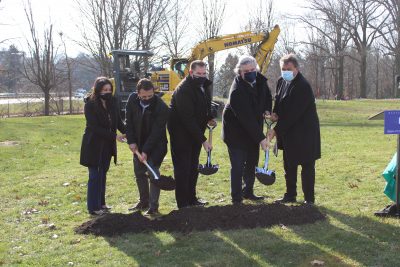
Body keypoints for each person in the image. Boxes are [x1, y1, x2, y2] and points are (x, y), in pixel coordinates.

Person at [267, 54, 321, 204]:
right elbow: (278, 100)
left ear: (296, 68)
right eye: (283, 69)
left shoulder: (303, 86)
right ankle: (290, 194)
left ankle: (309, 200)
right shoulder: (281, 81)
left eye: (288, 69)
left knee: (307, 165)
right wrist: (275, 113)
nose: (285, 72)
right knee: (289, 164)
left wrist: (276, 131)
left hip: (305, 133)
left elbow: (293, 115)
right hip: (289, 133)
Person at [222, 55, 272, 204]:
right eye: (246, 71)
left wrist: (267, 110)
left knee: (251, 162)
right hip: (235, 133)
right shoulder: (237, 90)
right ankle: (237, 198)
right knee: (238, 166)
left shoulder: (261, 81)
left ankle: (248, 192)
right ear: (239, 72)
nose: (250, 73)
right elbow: (246, 119)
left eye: (252, 69)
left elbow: (267, 97)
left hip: (253, 130)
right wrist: (262, 139)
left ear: (256, 68)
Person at [168, 60, 217, 209]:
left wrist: (209, 117)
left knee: (193, 167)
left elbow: (203, 106)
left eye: (204, 73)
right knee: (183, 168)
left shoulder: (203, 85)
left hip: (195, 132)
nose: (202, 76)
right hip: (180, 133)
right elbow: (187, 118)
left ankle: (192, 198)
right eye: (198, 74)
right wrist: (203, 140)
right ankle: (183, 204)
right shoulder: (184, 89)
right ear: (191, 73)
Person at [80, 77, 126, 215]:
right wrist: (114, 136)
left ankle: (101, 204)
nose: (107, 92)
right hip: (93, 145)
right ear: (98, 90)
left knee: (103, 174)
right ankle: (93, 207)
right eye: (104, 90)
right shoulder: (90, 105)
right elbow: (94, 127)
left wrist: (127, 132)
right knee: (95, 175)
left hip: (107, 146)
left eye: (109, 90)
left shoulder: (112, 102)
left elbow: (118, 121)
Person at [125, 78, 169, 215]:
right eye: (143, 96)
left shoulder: (161, 107)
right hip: (137, 143)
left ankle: (153, 206)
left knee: (153, 173)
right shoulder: (132, 100)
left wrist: (146, 151)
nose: (147, 98)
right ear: (137, 93)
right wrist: (131, 142)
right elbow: (129, 122)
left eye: (150, 96)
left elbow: (157, 132)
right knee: (139, 173)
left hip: (156, 145)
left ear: (153, 92)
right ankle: (143, 202)